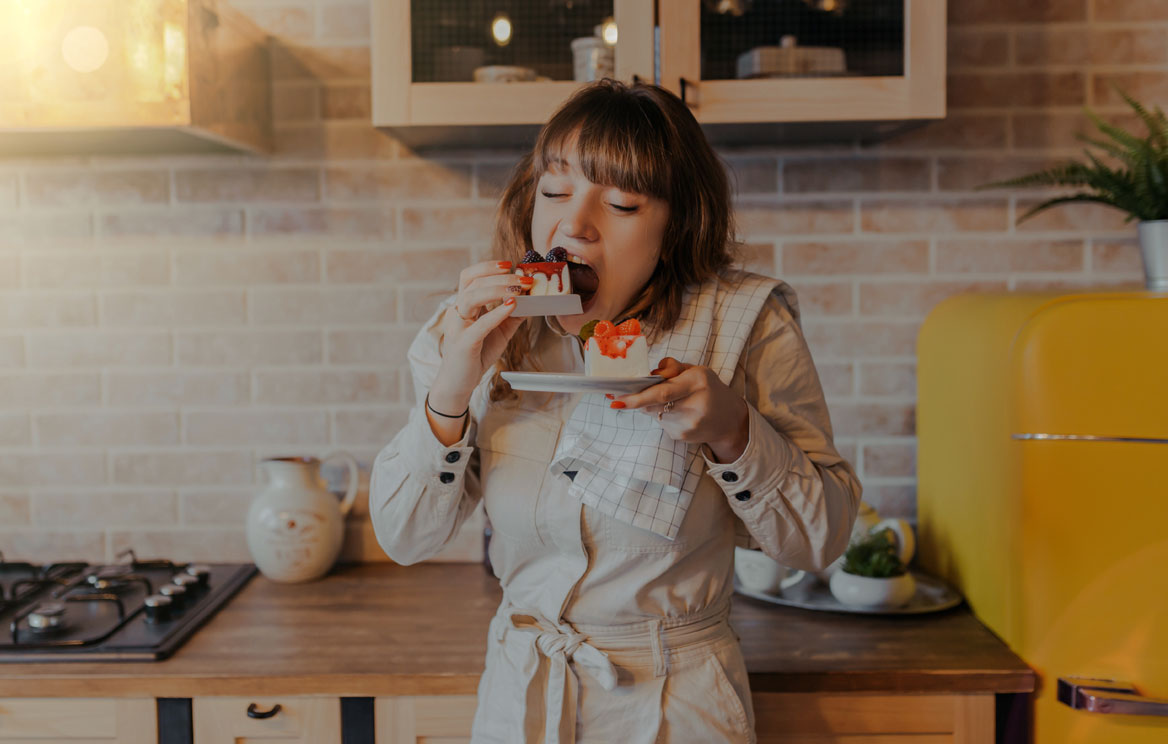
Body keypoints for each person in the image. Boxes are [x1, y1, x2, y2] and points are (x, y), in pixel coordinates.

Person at [369, 79, 861, 744]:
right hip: (521, 700)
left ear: (677, 222)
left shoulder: (745, 323)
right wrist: (451, 391)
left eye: (622, 201)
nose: (574, 223)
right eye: (555, 190)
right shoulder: (474, 328)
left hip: (677, 706)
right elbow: (403, 537)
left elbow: (820, 539)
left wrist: (733, 431)